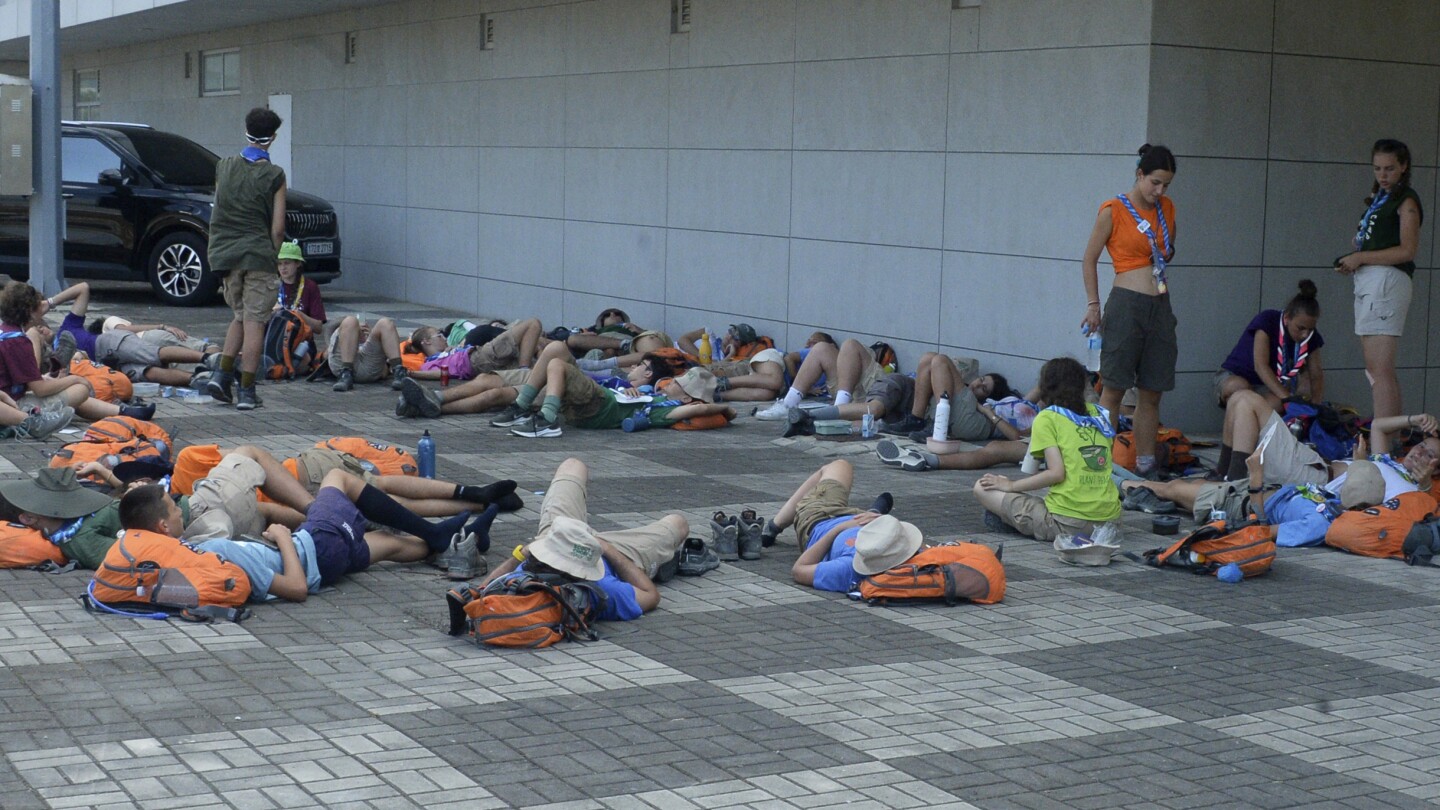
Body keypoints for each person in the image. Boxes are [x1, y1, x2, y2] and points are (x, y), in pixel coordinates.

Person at [478, 458, 687, 620]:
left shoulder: (528, 573)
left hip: (558, 536)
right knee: (678, 523)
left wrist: (521, 553)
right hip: (607, 552)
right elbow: (651, 595)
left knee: (573, 465)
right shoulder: (602, 589)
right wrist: (607, 550)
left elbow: (481, 592)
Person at [1081, 143, 1178, 479]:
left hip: (1160, 303)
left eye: (1165, 184)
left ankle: (1146, 463)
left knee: (1152, 390)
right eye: (1154, 182)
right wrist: (1093, 305)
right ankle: (1099, 467)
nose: (1159, 190)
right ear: (1139, 175)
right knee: (1114, 388)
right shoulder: (1113, 209)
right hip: (1126, 302)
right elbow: (1089, 258)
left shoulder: (1167, 208)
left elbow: (1165, 252)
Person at [973, 357, 1122, 541]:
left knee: (982, 488)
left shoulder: (1048, 417)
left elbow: (1056, 473)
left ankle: (1012, 520)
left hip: (1068, 524)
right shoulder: (1099, 413)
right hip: (1109, 522)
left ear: (1044, 387)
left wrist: (1010, 485)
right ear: (1083, 386)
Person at [206, 107, 288, 411]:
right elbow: (277, 229)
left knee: (240, 316)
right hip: (257, 255)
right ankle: (248, 391)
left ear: (246, 131)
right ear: (274, 137)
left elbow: (222, 207)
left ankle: (222, 375)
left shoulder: (223, 167)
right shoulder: (274, 175)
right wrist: (274, 256)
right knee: (256, 323)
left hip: (226, 256)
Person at [1335, 138, 1423, 421]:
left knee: (1379, 369)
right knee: (1376, 369)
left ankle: (1386, 441)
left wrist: (1361, 258)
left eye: (1389, 169)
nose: (1383, 176)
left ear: (1404, 167)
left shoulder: (1406, 200)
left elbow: (1407, 250)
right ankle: (1389, 436)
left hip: (1386, 281)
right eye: (1377, 169)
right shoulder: (1380, 198)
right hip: (1371, 280)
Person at [488, 342, 731, 438]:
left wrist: (726, 410)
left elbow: (698, 410)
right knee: (554, 349)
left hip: (598, 404)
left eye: (679, 383)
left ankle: (547, 421)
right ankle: (521, 407)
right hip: (595, 397)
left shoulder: (666, 410)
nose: (672, 382)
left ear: (689, 398)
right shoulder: (656, 394)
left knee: (556, 364)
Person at [0, 282, 155, 423]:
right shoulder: (18, 340)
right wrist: (74, 379)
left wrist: (46, 379)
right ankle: (40, 418)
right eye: (39, 306)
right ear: (30, 311)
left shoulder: (6, 331)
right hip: (13, 404)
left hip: (11, 395)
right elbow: (39, 389)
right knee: (80, 390)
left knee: (66, 389)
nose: (42, 310)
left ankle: (125, 412)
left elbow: (21, 381)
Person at [766, 459, 915, 593]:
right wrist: (884, 521)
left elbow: (798, 571)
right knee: (843, 472)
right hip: (865, 520)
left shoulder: (850, 568)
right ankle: (874, 512)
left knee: (837, 466)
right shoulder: (906, 557)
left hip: (822, 519)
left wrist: (840, 528)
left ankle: (774, 526)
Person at [1215, 279, 1324, 410]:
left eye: (1310, 329)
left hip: (1266, 387)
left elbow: (1316, 373)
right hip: (1235, 377)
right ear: (1287, 317)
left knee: (1275, 405)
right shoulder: (1268, 320)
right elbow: (1260, 365)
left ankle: (1258, 428)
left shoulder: (1310, 336)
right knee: (1240, 389)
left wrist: (1317, 407)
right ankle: (1236, 427)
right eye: (1300, 328)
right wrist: (1288, 399)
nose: (1305, 334)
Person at [752, 337, 886, 421]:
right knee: (821, 348)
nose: (807, 343)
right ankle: (788, 404)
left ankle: (838, 411)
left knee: (850, 344)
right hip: (850, 393)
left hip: (876, 393)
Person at [404, 318, 544, 383]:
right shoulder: (429, 363)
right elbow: (440, 373)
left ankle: (525, 368)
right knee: (533, 324)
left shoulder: (445, 353)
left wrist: (454, 350)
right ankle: (523, 368)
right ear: (427, 342)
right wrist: (412, 373)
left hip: (482, 359)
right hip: (479, 358)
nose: (443, 338)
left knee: (540, 368)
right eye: (439, 335)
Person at [327, 315, 406, 392]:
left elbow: (384, 371)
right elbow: (325, 356)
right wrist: (354, 334)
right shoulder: (338, 334)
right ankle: (345, 374)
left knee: (385, 323)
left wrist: (369, 337)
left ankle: (399, 372)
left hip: (367, 365)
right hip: (342, 364)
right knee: (350, 321)